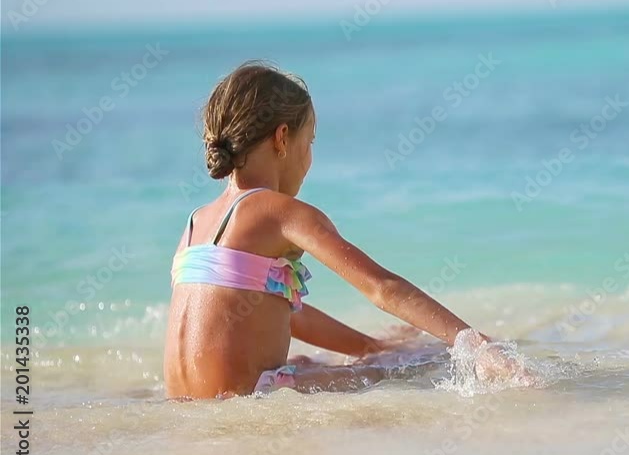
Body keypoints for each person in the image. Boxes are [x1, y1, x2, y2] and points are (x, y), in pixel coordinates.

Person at [164, 62, 524, 399]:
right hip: (252, 397)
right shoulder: (281, 212)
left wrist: (373, 347)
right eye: (311, 142)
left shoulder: (197, 223)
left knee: (319, 363)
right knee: (409, 370)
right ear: (282, 138)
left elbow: (275, 313)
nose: (309, 159)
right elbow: (381, 287)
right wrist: (475, 344)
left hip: (184, 402)